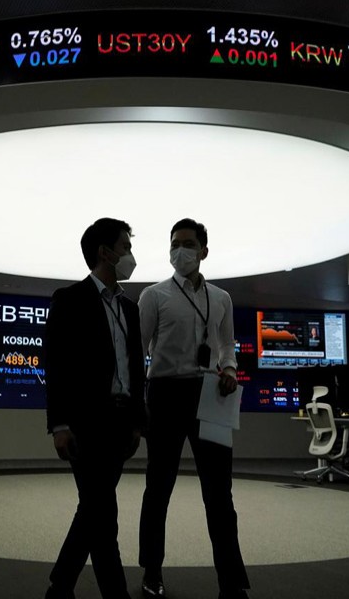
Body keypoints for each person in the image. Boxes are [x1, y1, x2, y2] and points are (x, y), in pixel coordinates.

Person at [138, 219, 250, 599]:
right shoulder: (153, 296)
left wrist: (231, 369)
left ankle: (231, 580)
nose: (179, 251)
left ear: (204, 250)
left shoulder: (221, 298)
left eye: (187, 244)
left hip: (209, 394)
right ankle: (151, 572)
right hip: (165, 394)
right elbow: (136, 352)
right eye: (174, 244)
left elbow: (227, 344)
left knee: (220, 493)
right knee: (159, 487)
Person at [44, 217, 146, 599]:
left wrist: (138, 422)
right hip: (85, 424)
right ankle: (113, 593)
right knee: (104, 513)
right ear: (105, 252)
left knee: (94, 508)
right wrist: (59, 425)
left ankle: (60, 584)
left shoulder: (129, 309)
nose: (130, 255)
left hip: (121, 424)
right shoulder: (69, 299)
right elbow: (56, 365)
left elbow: (136, 370)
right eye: (125, 247)